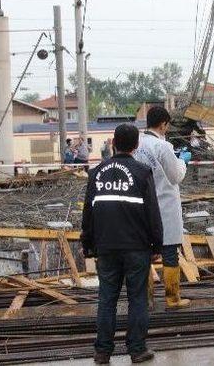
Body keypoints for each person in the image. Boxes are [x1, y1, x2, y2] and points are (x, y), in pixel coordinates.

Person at [80, 124, 163, 364]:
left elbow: (89, 212)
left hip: (106, 247)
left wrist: (88, 244)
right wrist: (157, 246)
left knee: (107, 298)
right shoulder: (142, 172)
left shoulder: (96, 172)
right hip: (137, 247)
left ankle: (102, 352)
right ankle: (137, 350)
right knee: (137, 298)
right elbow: (152, 213)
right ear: (136, 146)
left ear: (113, 143)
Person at [133, 106, 192, 308]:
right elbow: (176, 176)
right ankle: (172, 297)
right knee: (169, 252)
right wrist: (182, 162)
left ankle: (146, 300)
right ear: (163, 124)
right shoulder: (163, 147)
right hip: (165, 206)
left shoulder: (136, 142)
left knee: (144, 254)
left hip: (142, 206)